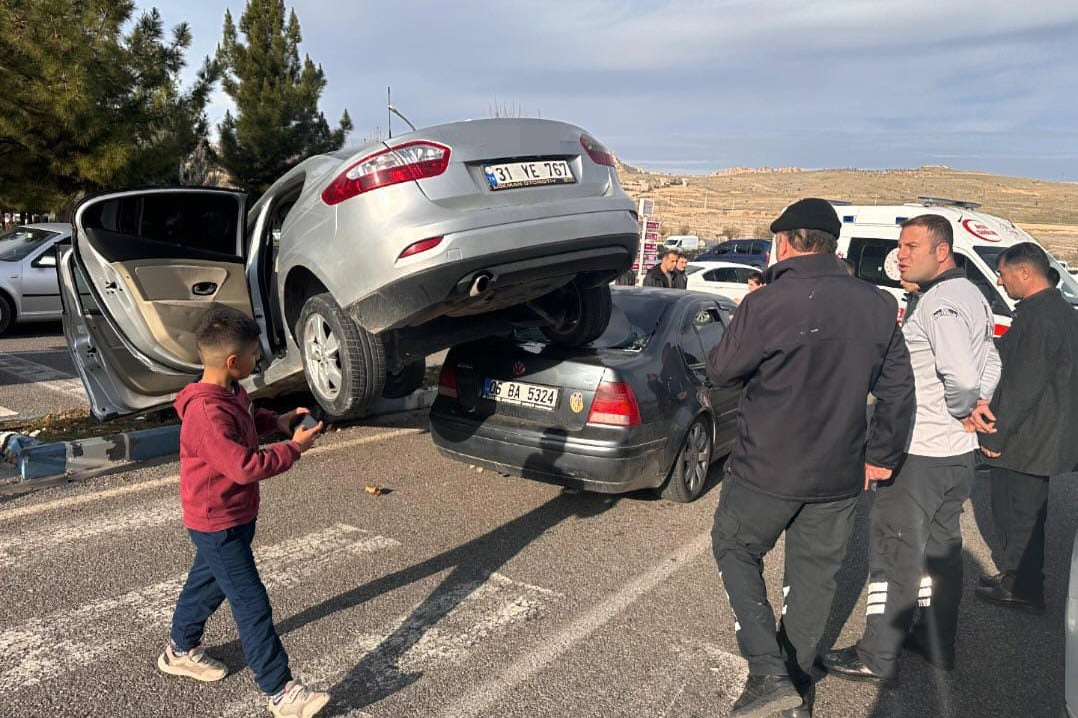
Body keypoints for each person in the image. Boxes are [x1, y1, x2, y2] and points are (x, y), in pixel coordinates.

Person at [707, 198, 915, 717]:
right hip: (838, 472)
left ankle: (767, 671)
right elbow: (898, 391)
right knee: (813, 581)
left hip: (765, 468)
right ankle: (796, 692)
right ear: (833, 245)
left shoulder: (768, 302)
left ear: (787, 242)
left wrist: (747, 312)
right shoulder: (876, 304)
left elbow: (723, 371)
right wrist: (882, 455)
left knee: (734, 547)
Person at [822, 214, 1001, 681]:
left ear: (942, 251)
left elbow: (960, 375)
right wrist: (976, 404)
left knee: (896, 553)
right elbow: (993, 361)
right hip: (956, 454)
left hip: (921, 451)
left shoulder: (941, 304)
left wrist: (965, 403)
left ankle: (876, 655)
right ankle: (937, 641)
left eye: (911, 246)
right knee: (940, 550)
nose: (900, 254)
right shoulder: (973, 298)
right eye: (900, 246)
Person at [158, 305, 331, 717]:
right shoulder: (206, 413)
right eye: (255, 355)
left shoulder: (231, 392)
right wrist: (294, 449)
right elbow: (243, 465)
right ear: (233, 361)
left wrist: (281, 421)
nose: (260, 360)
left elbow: (252, 418)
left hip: (233, 517)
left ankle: (179, 649)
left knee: (207, 584)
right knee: (252, 605)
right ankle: (281, 691)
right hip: (217, 522)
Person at [972, 242, 1078, 614]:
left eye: (1002, 275)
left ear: (1024, 272)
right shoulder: (1053, 309)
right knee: (1026, 514)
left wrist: (996, 435)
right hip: (1040, 433)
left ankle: (1022, 588)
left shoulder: (1041, 317)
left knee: (1018, 515)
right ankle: (1016, 577)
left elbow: (1024, 384)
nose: (1000, 283)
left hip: (1028, 438)